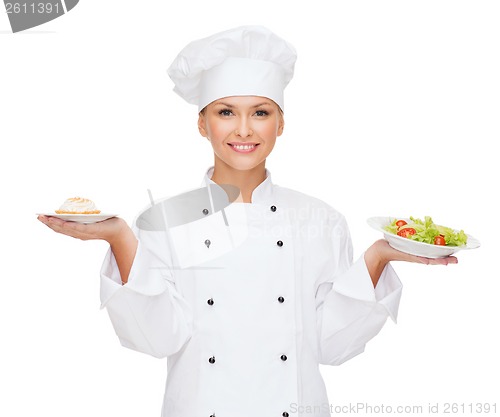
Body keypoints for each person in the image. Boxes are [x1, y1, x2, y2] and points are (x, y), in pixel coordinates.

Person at [38, 25, 457, 417]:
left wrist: (378, 257)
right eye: (225, 112)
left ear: (280, 124)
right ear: (202, 124)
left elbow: (331, 345)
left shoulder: (321, 220)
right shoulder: (163, 220)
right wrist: (120, 238)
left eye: (260, 113)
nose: (244, 129)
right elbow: (156, 338)